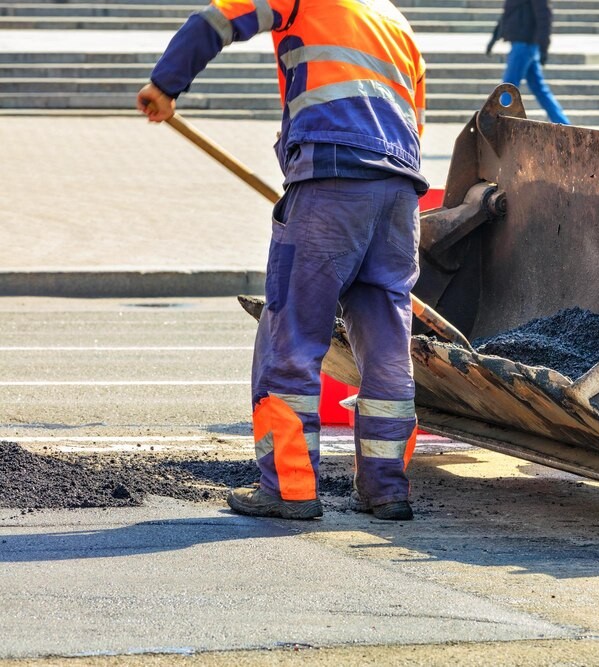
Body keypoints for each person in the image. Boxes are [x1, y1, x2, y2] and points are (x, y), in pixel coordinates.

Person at [137, 0, 428, 521]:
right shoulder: (394, 21)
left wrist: (165, 84)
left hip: (331, 182)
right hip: (399, 192)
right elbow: (413, 119)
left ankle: (288, 488)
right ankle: (387, 490)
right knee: (387, 344)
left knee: (292, 333)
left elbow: (217, 21)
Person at [487, 0, 569, 125]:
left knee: (508, 85)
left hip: (524, 44)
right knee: (539, 89)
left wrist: (543, 47)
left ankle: (500, 123)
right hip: (522, 44)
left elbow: (544, 16)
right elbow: (509, 13)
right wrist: (494, 37)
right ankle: (564, 124)